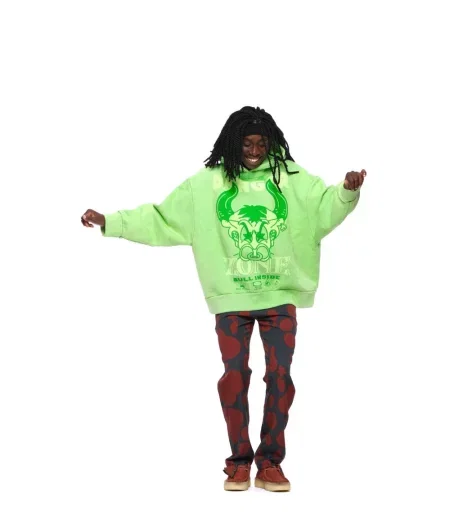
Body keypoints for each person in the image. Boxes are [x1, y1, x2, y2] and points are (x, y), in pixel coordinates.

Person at [81, 106, 366, 493]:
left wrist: (347, 191)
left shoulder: (293, 179)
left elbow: (324, 207)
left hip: (279, 297)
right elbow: (161, 218)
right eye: (246, 144)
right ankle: (239, 463)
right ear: (234, 143)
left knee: (280, 377)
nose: (254, 151)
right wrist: (111, 221)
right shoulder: (206, 185)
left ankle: (270, 463)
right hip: (231, 300)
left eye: (261, 143)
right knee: (235, 377)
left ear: (271, 143)